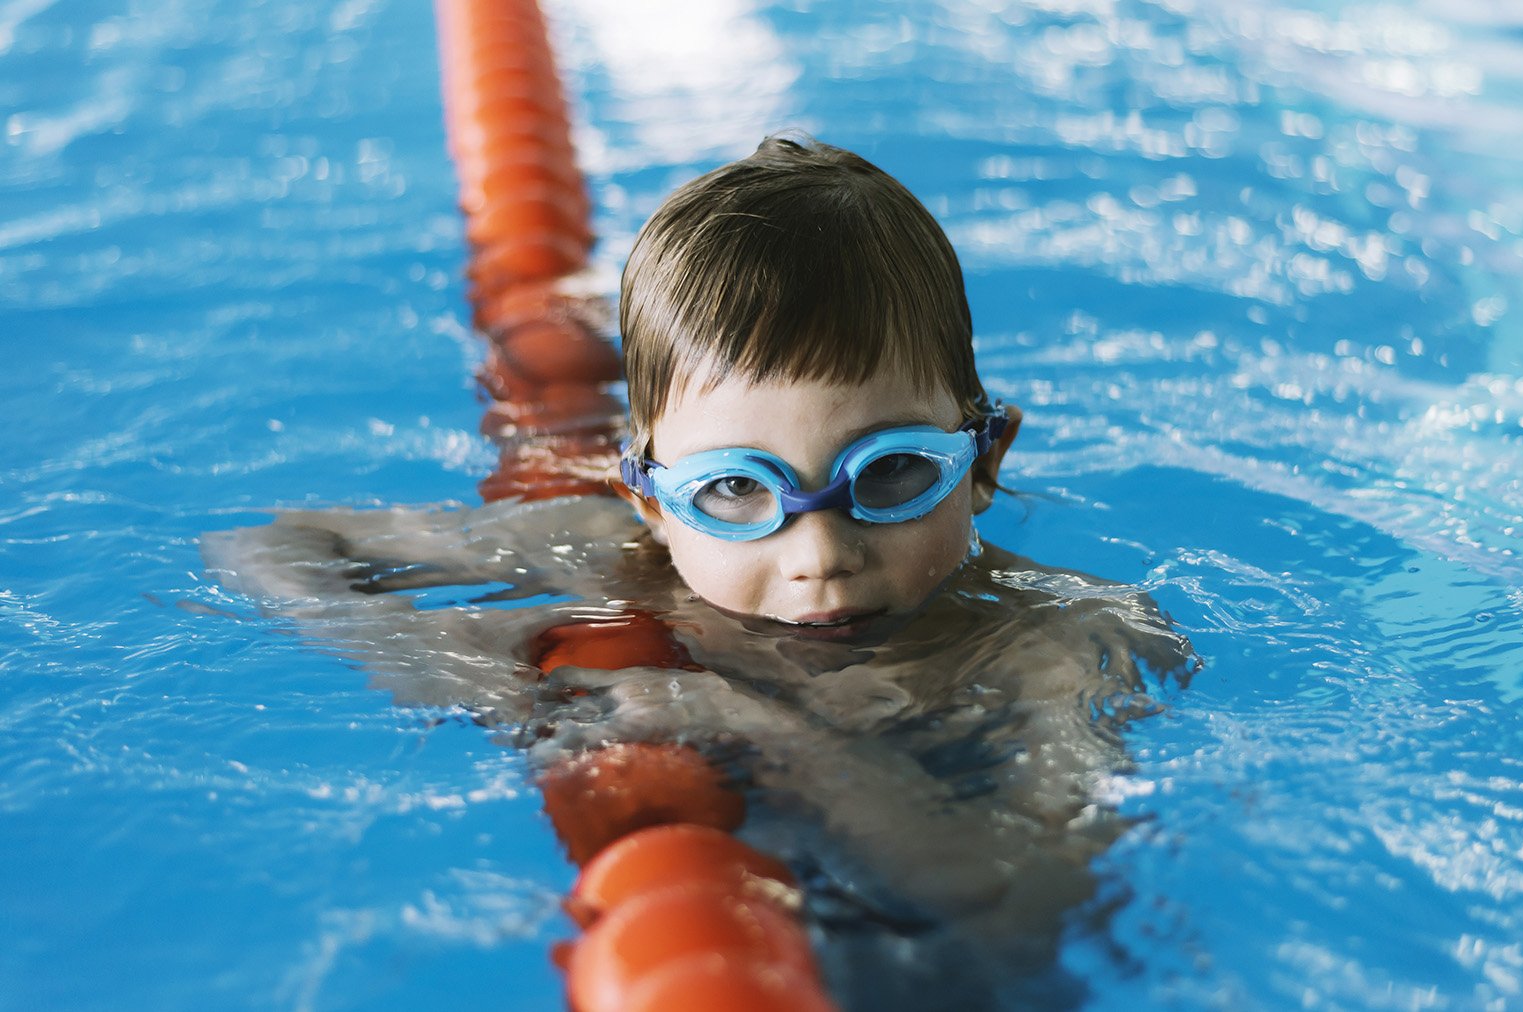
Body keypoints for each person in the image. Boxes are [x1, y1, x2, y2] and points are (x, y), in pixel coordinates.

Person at [205, 134, 1193, 1011]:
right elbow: (270, 548)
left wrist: (757, 727)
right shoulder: (606, 547)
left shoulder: (1066, 644)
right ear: (649, 498)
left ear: (984, 461)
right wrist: (465, 676)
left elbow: (1020, 905)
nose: (818, 556)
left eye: (889, 473)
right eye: (734, 491)